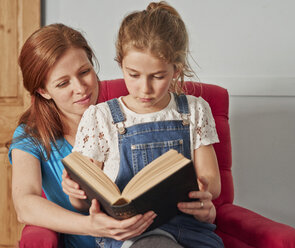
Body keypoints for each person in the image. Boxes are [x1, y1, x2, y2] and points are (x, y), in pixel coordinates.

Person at [62, 2, 224, 248]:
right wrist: (76, 193)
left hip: (188, 229)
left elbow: (211, 180)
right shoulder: (100, 117)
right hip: (131, 234)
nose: (144, 89)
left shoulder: (194, 110)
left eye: (158, 76)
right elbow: (85, 201)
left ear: (176, 69)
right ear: (120, 64)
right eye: (134, 75)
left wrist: (203, 195)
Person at [7, 23, 157, 247]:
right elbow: (25, 205)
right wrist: (91, 226)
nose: (81, 88)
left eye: (85, 72)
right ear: (43, 91)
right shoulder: (31, 136)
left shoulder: (128, 114)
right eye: (63, 83)